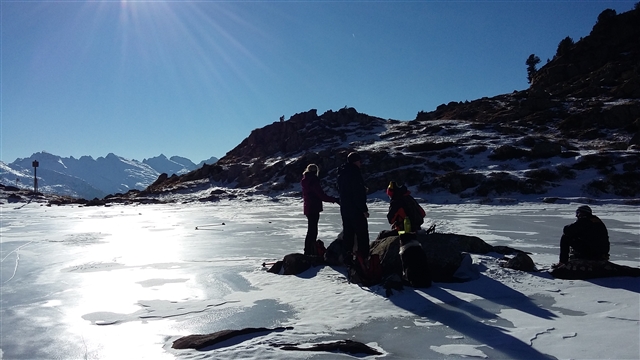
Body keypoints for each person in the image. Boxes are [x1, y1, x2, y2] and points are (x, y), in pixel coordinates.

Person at [337, 152, 370, 261]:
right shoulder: (355, 173)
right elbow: (357, 194)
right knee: (362, 235)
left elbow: (342, 191)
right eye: (360, 161)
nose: (361, 163)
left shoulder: (342, 173)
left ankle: (347, 259)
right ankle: (363, 259)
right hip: (356, 210)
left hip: (345, 209)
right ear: (355, 161)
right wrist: (364, 209)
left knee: (348, 234)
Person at [301, 164, 339, 256]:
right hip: (314, 207)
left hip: (308, 207)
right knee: (313, 230)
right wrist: (334, 199)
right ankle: (309, 252)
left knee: (311, 229)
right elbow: (321, 195)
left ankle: (308, 250)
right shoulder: (313, 180)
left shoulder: (305, 179)